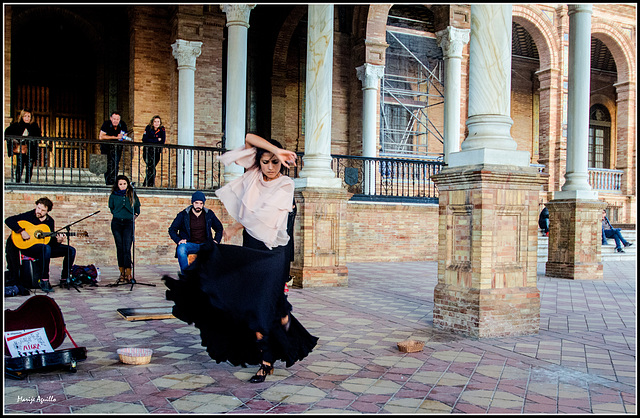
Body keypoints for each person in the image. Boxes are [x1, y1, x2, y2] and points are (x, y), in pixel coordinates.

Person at [163, 133, 318, 384]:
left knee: (268, 308)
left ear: (282, 164)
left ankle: (284, 335)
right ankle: (266, 360)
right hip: (252, 249)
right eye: (265, 161)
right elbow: (248, 137)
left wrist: (236, 226)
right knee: (256, 307)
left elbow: (262, 216)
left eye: (275, 162)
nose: (269, 167)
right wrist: (274, 150)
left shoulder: (286, 185)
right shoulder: (254, 174)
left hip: (274, 255)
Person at [5, 197, 77, 293]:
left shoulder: (50, 221)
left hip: (43, 248)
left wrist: (58, 241)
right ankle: (44, 280)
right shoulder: (29, 215)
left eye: (43, 210)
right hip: (27, 247)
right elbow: (8, 220)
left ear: (47, 211)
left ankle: (65, 278)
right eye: (38, 208)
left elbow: (49, 241)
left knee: (71, 250)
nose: (39, 211)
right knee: (46, 248)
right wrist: (21, 231)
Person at [168, 191, 224, 274]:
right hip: (190, 244)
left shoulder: (209, 214)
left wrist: (216, 241)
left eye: (201, 203)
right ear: (192, 202)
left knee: (219, 251)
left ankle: (210, 276)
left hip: (205, 244)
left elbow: (219, 228)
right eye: (196, 203)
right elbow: (172, 230)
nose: (199, 206)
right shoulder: (183, 215)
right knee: (181, 249)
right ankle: (186, 275)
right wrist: (179, 240)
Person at [108, 175, 141, 283]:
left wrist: (133, 216)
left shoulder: (132, 194)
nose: (122, 186)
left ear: (128, 184)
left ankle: (128, 272)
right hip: (117, 223)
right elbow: (112, 208)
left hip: (128, 223)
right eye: (120, 184)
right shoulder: (113, 195)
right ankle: (121, 272)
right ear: (117, 185)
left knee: (127, 247)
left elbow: (137, 208)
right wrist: (118, 214)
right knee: (120, 247)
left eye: (124, 184)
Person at [5, 108, 41, 183]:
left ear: (31, 117)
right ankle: (18, 182)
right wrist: (15, 140)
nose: (27, 118)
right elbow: (7, 132)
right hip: (21, 149)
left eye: (28, 116)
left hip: (31, 150)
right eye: (25, 116)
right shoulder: (17, 125)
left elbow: (38, 137)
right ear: (22, 116)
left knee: (29, 166)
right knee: (19, 166)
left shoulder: (34, 126)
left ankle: (27, 183)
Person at [99, 111, 129, 186]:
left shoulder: (122, 124)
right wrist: (115, 137)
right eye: (114, 119)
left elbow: (124, 136)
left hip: (117, 148)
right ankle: (108, 183)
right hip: (106, 148)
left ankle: (113, 182)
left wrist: (123, 137)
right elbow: (101, 137)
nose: (116, 121)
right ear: (111, 118)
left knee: (115, 164)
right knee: (107, 165)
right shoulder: (106, 124)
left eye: (117, 119)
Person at [142, 115, 166, 187]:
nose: (156, 123)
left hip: (157, 152)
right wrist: (156, 140)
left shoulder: (162, 129)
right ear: (152, 122)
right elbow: (145, 139)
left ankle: (147, 183)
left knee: (151, 167)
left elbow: (162, 141)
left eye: (158, 122)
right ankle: (149, 184)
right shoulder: (148, 128)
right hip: (147, 151)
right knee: (151, 167)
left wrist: (152, 140)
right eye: (155, 121)